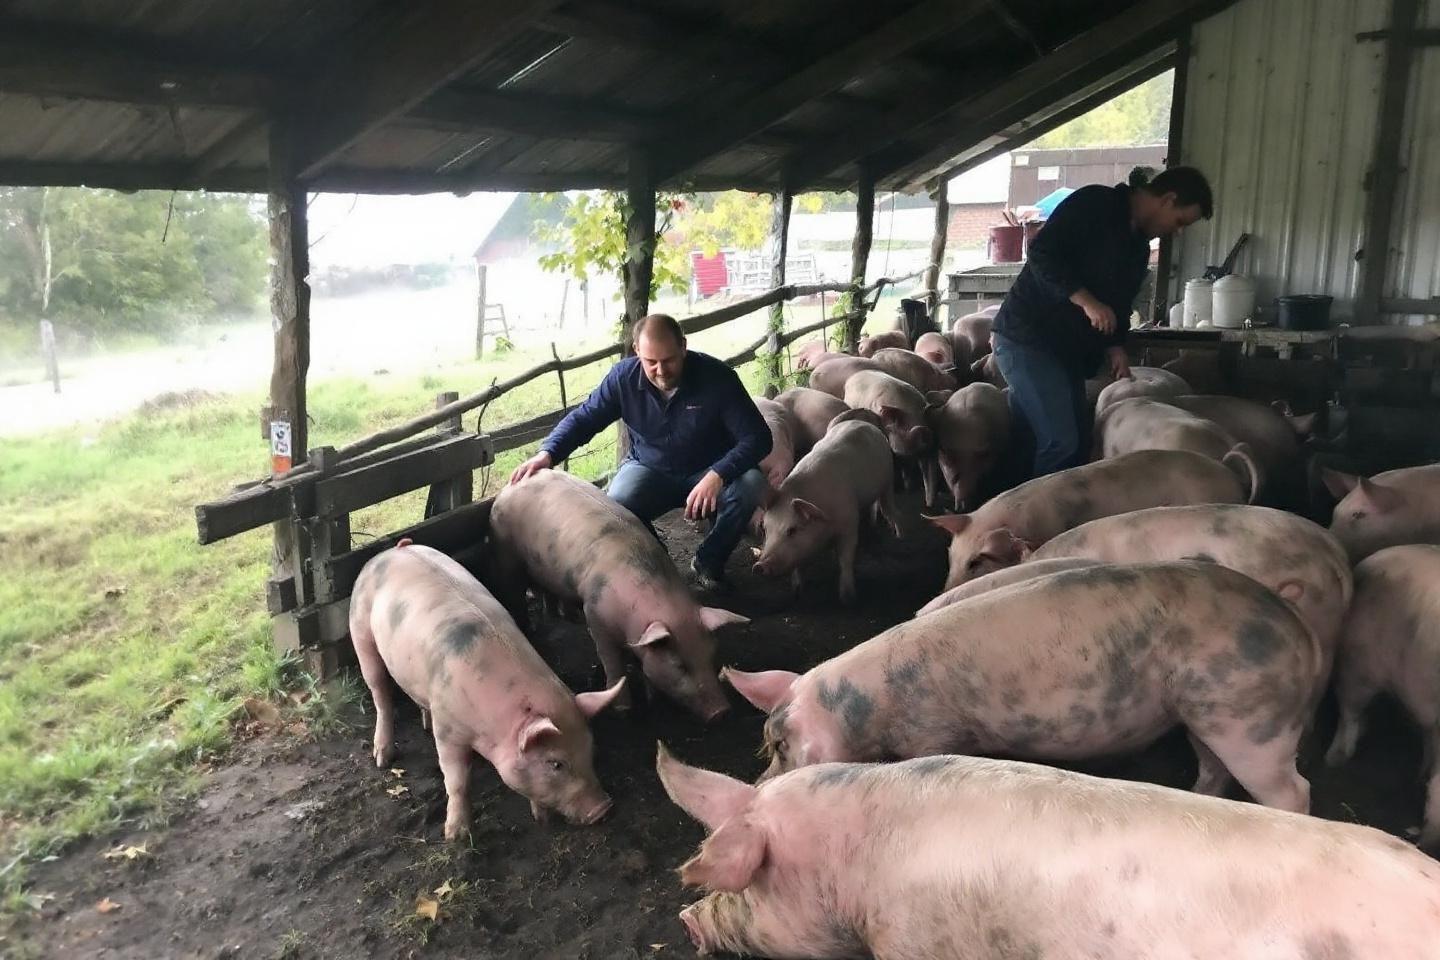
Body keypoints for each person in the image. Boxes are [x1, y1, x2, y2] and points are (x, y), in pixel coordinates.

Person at [510, 313, 771, 590]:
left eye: (669, 359)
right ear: (637, 352)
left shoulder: (717, 378)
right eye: (651, 362)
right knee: (617, 502)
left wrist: (717, 474)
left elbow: (758, 438)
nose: (661, 370)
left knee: (751, 483)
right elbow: (585, 419)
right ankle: (662, 566)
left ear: (683, 346)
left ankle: (709, 560)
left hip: (707, 468)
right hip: (649, 467)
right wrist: (548, 453)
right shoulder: (622, 379)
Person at [991, 165, 1214, 479]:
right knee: (1061, 443)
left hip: (1065, 350)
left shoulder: (1137, 248)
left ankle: (996, 513)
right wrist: (1086, 300)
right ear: (1167, 199)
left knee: (1070, 440)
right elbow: (1042, 253)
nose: (1176, 231)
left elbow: (1118, 304)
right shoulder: (1095, 204)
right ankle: (1038, 521)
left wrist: (1115, 346)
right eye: (1179, 222)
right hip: (1027, 336)